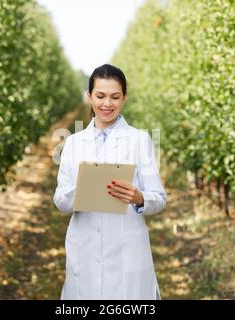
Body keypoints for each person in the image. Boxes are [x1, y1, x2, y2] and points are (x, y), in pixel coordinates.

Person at [53, 64, 167, 300]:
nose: (107, 104)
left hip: (126, 249)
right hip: (84, 246)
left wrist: (139, 198)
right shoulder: (74, 143)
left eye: (115, 97)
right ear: (89, 96)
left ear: (124, 98)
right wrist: (84, 190)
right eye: (100, 96)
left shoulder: (139, 140)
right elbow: (61, 200)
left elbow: (159, 197)